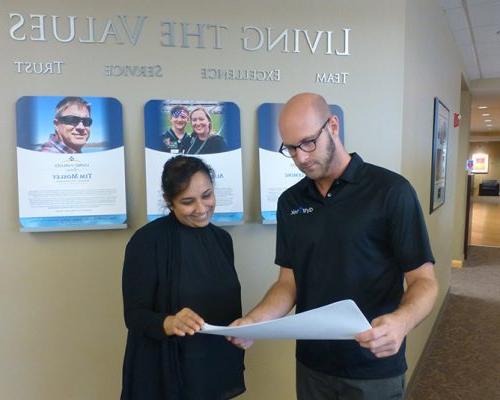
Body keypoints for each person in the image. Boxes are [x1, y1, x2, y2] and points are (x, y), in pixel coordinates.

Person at [229, 93, 438, 400]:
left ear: (333, 126)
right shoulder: (291, 202)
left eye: (308, 142)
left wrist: (401, 322)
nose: (300, 157)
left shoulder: (392, 191)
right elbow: (289, 282)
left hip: (373, 366)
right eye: (290, 148)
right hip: (314, 366)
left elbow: (424, 281)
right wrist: (255, 322)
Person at [121, 156, 245, 400]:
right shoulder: (147, 241)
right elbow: (134, 316)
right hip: (165, 374)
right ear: (170, 202)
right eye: (188, 201)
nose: (201, 208)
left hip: (213, 367)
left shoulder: (222, 240)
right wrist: (169, 322)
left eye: (207, 195)